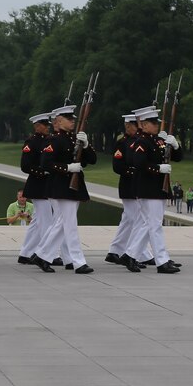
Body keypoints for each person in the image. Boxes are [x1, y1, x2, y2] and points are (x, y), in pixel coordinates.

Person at [33, 104, 96, 274]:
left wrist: (87, 144)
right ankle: (78, 262)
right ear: (59, 121)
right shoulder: (53, 140)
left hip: (73, 186)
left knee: (62, 223)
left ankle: (42, 255)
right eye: (69, 119)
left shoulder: (75, 138)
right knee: (69, 224)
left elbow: (92, 160)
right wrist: (67, 168)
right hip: (60, 186)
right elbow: (45, 163)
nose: (72, 122)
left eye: (73, 119)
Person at [128, 105, 182, 274]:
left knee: (149, 224)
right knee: (155, 225)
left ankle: (130, 255)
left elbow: (178, 158)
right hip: (148, 189)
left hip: (158, 189)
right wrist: (159, 169)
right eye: (152, 122)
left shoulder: (158, 140)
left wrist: (175, 145)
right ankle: (162, 260)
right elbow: (139, 164)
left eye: (156, 122)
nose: (156, 125)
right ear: (143, 125)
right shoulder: (141, 142)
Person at [106, 112, 151, 272]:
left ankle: (115, 251)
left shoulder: (139, 141)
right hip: (128, 186)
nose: (137, 128)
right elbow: (117, 166)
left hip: (137, 186)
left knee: (129, 220)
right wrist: (136, 171)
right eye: (134, 125)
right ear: (127, 126)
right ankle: (137, 254)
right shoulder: (122, 143)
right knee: (136, 220)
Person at [17, 112, 56, 266]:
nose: (48, 128)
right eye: (45, 125)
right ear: (37, 126)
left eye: (49, 125)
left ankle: (26, 253)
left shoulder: (49, 141)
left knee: (38, 221)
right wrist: (42, 171)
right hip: (38, 185)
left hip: (46, 185)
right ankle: (46, 254)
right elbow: (25, 166)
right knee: (46, 220)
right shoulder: (31, 142)